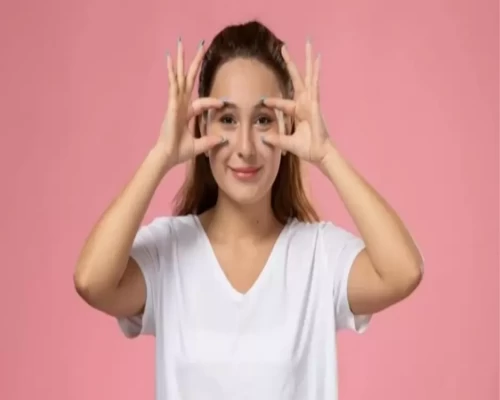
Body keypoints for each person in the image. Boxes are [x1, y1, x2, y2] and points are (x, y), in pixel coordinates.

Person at [74, 20, 423, 400]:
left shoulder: (318, 257)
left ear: (288, 127)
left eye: (262, 120)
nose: (245, 147)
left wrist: (327, 154)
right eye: (227, 119)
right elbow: (92, 282)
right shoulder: (168, 252)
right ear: (201, 127)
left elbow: (403, 272)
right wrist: (160, 156)